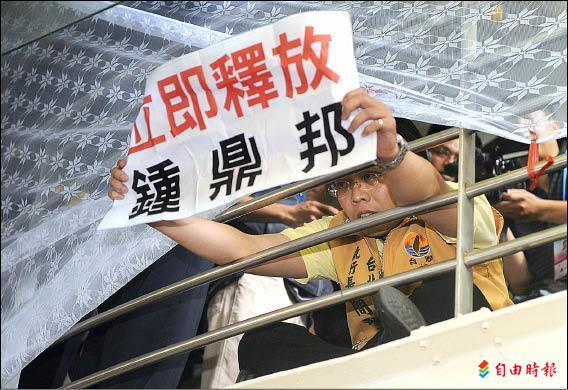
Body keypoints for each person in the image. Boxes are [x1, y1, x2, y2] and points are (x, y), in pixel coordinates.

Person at [108, 88, 512, 378]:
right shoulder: (340, 234)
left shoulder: (454, 205)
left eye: (371, 177)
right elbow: (245, 247)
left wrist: (391, 153)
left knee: (447, 287)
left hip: (479, 357)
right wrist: (152, 211)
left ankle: (389, 358)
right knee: (260, 340)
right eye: (344, 185)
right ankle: (377, 366)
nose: (357, 196)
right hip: (376, 367)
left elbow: (426, 191)